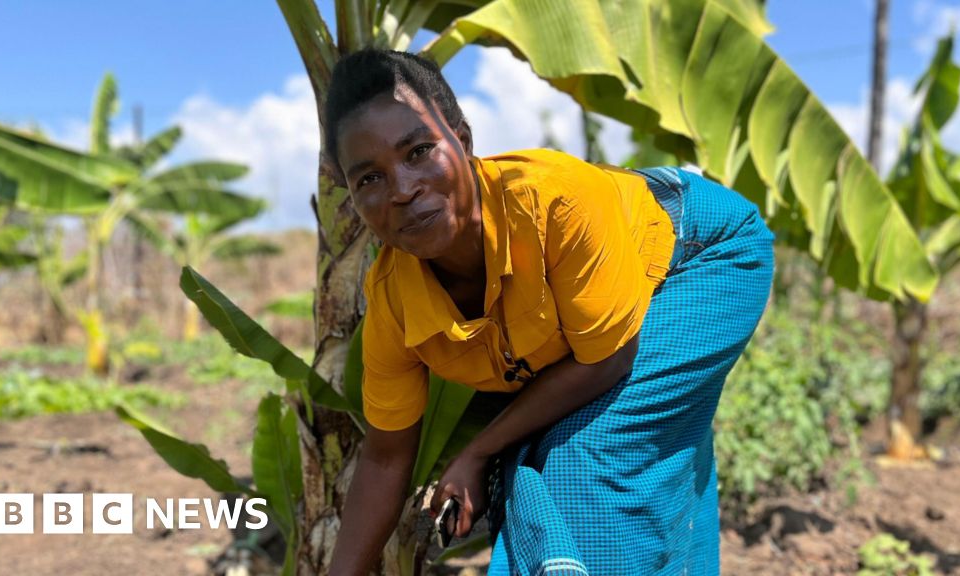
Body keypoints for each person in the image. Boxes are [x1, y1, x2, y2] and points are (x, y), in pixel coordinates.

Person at [324, 48, 774, 576]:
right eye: (369, 180)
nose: (402, 189)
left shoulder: (554, 206)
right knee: (541, 458)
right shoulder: (395, 302)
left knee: (586, 459)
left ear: (462, 142)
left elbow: (606, 360)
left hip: (702, 255)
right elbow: (385, 457)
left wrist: (477, 452)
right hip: (608, 318)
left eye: (419, 151)